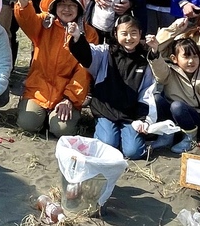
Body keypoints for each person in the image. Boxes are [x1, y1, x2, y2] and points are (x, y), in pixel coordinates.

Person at [66, 14, 162, 160]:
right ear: (115, 34)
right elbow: (86, 55)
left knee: (133, 152)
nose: (129, 38)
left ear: (140, 34)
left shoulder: (144, 60)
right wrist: (77, 36)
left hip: (130, 115)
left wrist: (142, 119)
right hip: (106, 110)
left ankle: (141, 142)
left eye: (133, 33)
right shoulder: (105, 52)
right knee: (108, 145)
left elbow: (147, 93)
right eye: (124, 33)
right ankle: (106, 131)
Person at [13, 0, 98, 137]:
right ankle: (37, 113)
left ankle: (58, 117)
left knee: (61, 130)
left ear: (80, 8)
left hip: (65, 96)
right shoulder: (45, 23)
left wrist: (69, 99)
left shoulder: (89, 33)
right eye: (62, 4)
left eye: (72, 5)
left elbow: (84, 72)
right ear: (54, 6)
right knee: (28, 124)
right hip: (38, 90)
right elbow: (28, 21)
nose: (67, 9)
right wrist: (23, 4)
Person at [148, 37, 200, 153]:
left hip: (198, 124)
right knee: (156, 98)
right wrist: (154, 50)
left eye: (195, 56)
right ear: (174, 58)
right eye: (186, 56)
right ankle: (167, 135)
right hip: (176, 121)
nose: (191, 61)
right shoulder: (169, 74)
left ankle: (190, 139)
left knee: (177, 106)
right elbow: (160, 70)